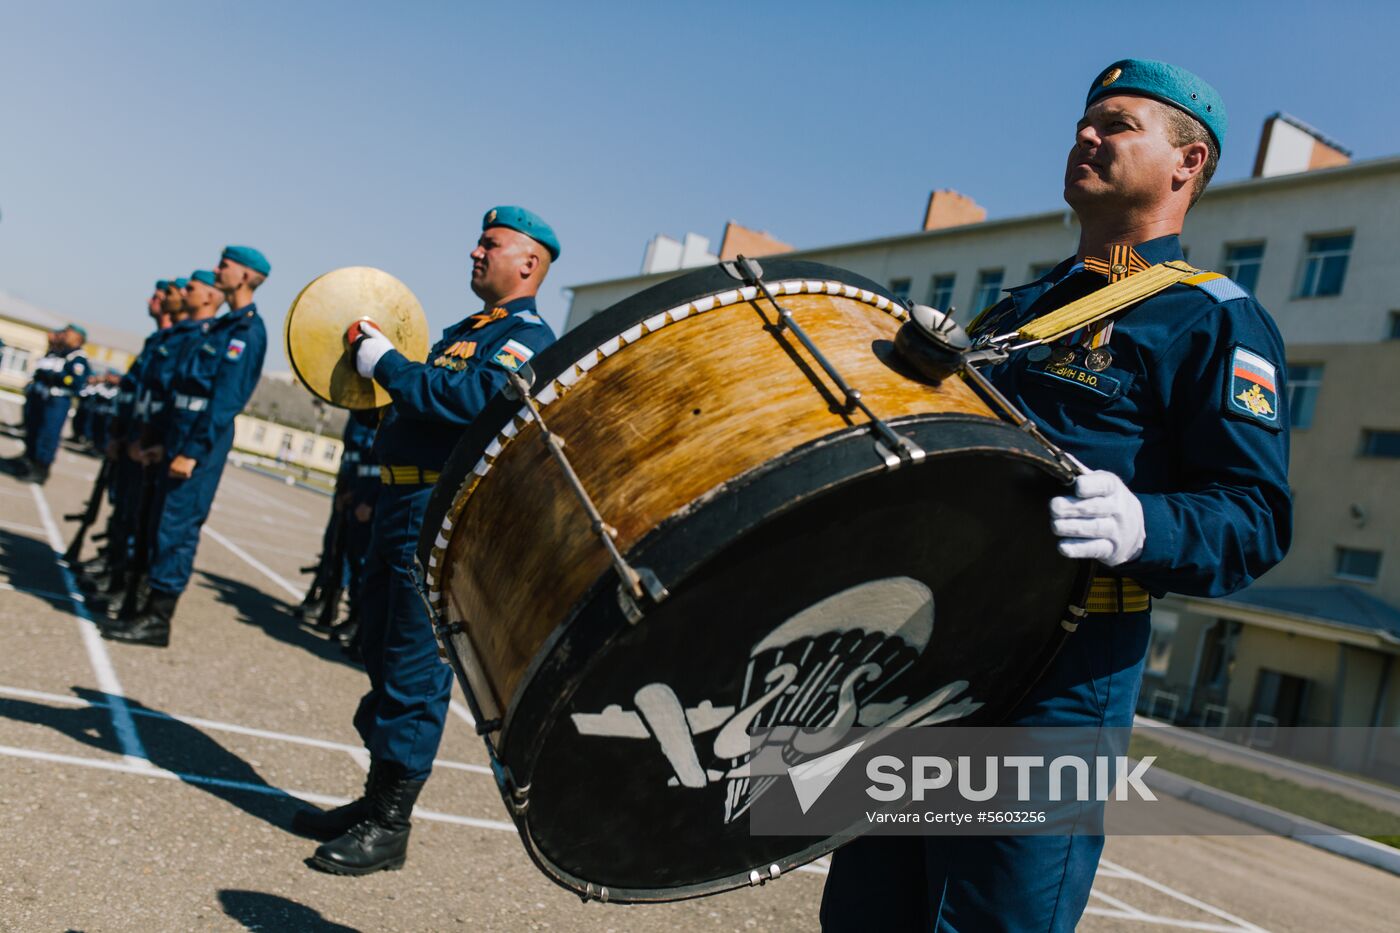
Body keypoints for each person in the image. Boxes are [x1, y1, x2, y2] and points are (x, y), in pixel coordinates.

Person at [820, 59, 1292, 932]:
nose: (1086, 134)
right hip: (932, 651)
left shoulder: (1213, 318)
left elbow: (1255, 517)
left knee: (995, 919)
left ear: (1187, 163)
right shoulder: (1013, 315)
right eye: (1086, 121)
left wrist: (1146, 521)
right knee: (867, 910)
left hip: (1063, 670)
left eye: (1118, 124)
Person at [294, 206, 559, 876]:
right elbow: (423, 394)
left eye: (491, 244)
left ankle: (390, 824)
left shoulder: (528, 336)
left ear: (528, 263)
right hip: (399, 498)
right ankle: (372, 800)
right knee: (380, 644)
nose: (475, 251)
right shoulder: (463, 331)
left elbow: (467, 399)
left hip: (441, 511)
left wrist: (384, 359)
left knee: (415, 664)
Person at [105, 252, 268, 647]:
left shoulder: (247, 332)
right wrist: (162, 442)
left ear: (245, 276)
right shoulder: (220, 328)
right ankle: (142, 606)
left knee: (176, 528)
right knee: (159, 523)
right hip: (178, 436)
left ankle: (159, 620)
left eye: (224, 266)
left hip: (200, 442)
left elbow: (225, 401)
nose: (216, 272)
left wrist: (191, 451)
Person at [18, 324, 89, 485]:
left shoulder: (77, 358)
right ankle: (31, 462)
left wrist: (55, 376)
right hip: (47, 397)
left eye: (68, 333)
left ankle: (41, 469)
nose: (64, 335)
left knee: (48, 435)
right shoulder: (62, 353)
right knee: (37, 430)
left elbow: (76, 381)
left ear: (78, 338)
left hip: (58, 400)